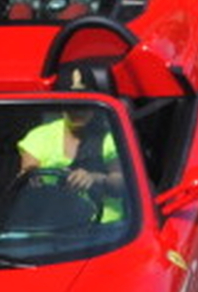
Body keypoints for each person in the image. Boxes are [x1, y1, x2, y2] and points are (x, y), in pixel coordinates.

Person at [16, 65, 127, 223]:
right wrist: (31, 178)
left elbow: (123, 183)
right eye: (71, 104)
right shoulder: (38, 137)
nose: (78, 110)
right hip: (53, 227)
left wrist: (95, 178)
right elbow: (28, 172)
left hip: (105, 228)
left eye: (84, 104)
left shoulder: (111, 138)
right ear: (61, 104)